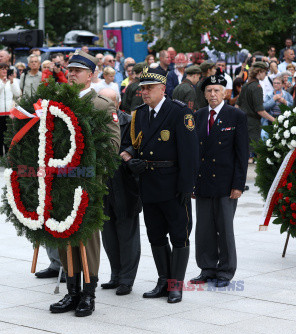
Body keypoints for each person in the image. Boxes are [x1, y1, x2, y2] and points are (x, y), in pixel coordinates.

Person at [50, 50, 120, 317]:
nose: (71, 74)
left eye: (78, 71)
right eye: (69, 70)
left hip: (89, 182)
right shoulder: (58, 105)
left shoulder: (102, 105)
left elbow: (113, 146)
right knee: (63, 233)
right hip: (61, 182)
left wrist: (85, 163)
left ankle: (88, 295)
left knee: (87, 236)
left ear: (91, 75)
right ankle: (72, 292)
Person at [120, 66, 199, 304]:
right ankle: (163, 281)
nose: (144, 92)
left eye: (149, 88)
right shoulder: (140, 114)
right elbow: (131, 145)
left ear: (162, 89)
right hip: (149, 182)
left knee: (179, 236)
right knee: (155, 235)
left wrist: (187, 187)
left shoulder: (179, 112)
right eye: (142, 88)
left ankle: (176, 286)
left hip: (173, 183)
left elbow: (190, 153)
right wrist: (130, 160)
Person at [191, 72, 249, 287]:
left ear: (225, 92)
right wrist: (192, 183)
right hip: (203, 181)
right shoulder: (198, 116)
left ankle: (225, 271)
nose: (213, 94)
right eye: (209, 91)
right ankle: (207, 268)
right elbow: (195, 152)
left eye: (217, 90)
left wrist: (238, 185)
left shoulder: (236, 116)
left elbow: (242, 153)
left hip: (226, 183)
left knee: (224, 228)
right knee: (204, 228)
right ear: (204, 94)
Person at [99, 87, 141, 296]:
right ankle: (115, 275)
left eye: (109, 103)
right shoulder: (96, 122)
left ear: (117, 104)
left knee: (127, 234)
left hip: (125, 185)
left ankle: (126, 279)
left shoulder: (131, 122)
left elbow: (140, 144)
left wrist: (129, 152)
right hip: (104, 186)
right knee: (108, 235)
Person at [236, 62, 275, 163]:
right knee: (256, 152)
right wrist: (274, 120)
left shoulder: (246, 85)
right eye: (265, 72)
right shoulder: (257, 87)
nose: (265, 75)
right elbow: (260, 110)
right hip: (253, 124)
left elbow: (237, 106)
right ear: (259, 72)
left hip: (243, 121)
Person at [0, 62, 21, 167]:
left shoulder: (13, 81)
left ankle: (8, 157)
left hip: (9, 113)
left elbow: (17, 94)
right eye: (2, 69)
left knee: (8, 136)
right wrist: (2, 83)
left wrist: (12, 82)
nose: (4, 71)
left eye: (6, 69)